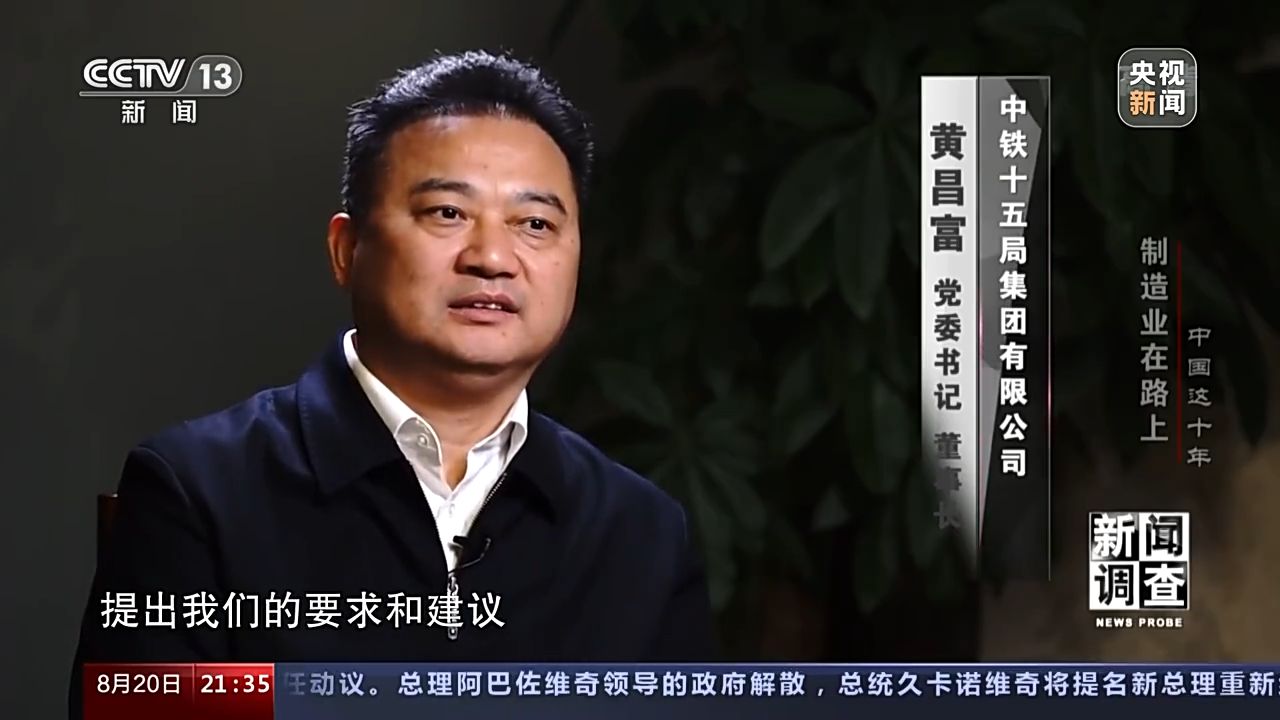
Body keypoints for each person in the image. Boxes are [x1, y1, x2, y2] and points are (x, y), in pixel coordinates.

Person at [70, 49, 714, 716]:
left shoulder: (642, 531)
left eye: (535, 224)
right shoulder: (197, 490)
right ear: (347, 250)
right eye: (447, 213)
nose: (493, 258)